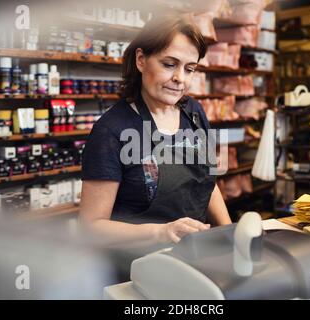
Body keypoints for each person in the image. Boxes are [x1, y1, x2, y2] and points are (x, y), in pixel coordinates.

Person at [80, 15, 231, 247]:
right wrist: (161, 232)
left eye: (189, 69)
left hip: (195, 255)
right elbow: (92, 226)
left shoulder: (194, 112)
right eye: (169, 64)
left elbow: (206, 184)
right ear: (141, 60)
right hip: (135, 265)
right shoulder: (111, 130)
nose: (179, 78)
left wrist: (230, 234)